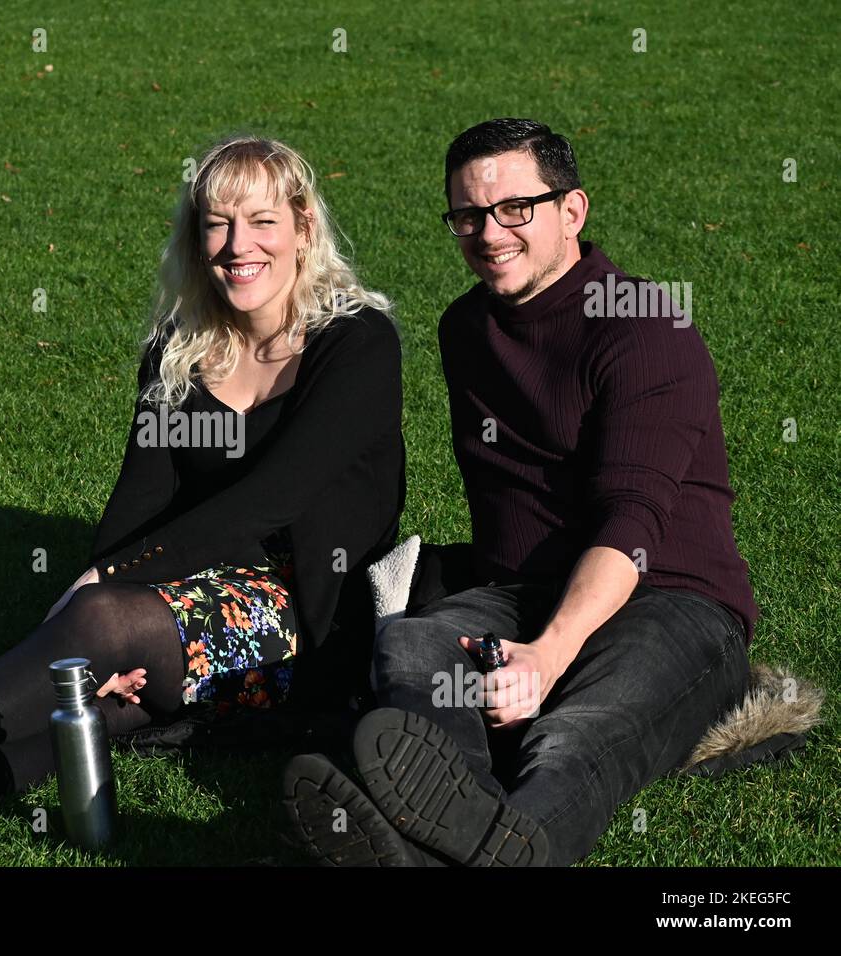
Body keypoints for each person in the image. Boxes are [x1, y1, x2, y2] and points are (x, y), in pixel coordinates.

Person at [0, 134, 406, 864]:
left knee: (99, 635)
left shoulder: (355, 343)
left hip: (311, 619)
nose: (237, 245)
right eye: (216, 223)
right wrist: (94, 623)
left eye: (260, 221)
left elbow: (271, 498)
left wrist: (106, 594)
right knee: (92, 704)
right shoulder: (183, 347)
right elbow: (140, 504)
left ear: (302, 228)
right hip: (197, 588)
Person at [282, 118, 757, 867]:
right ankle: (448, 831)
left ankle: (486, 849)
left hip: (669, 597)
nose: (488, 232)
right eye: (467, 214)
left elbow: (632, 524)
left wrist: (547, 656)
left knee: (575, 734)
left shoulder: (647, 329)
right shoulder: (465, 329)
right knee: (413, 643)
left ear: (573, 211)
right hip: (521, 592)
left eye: (514, 209)